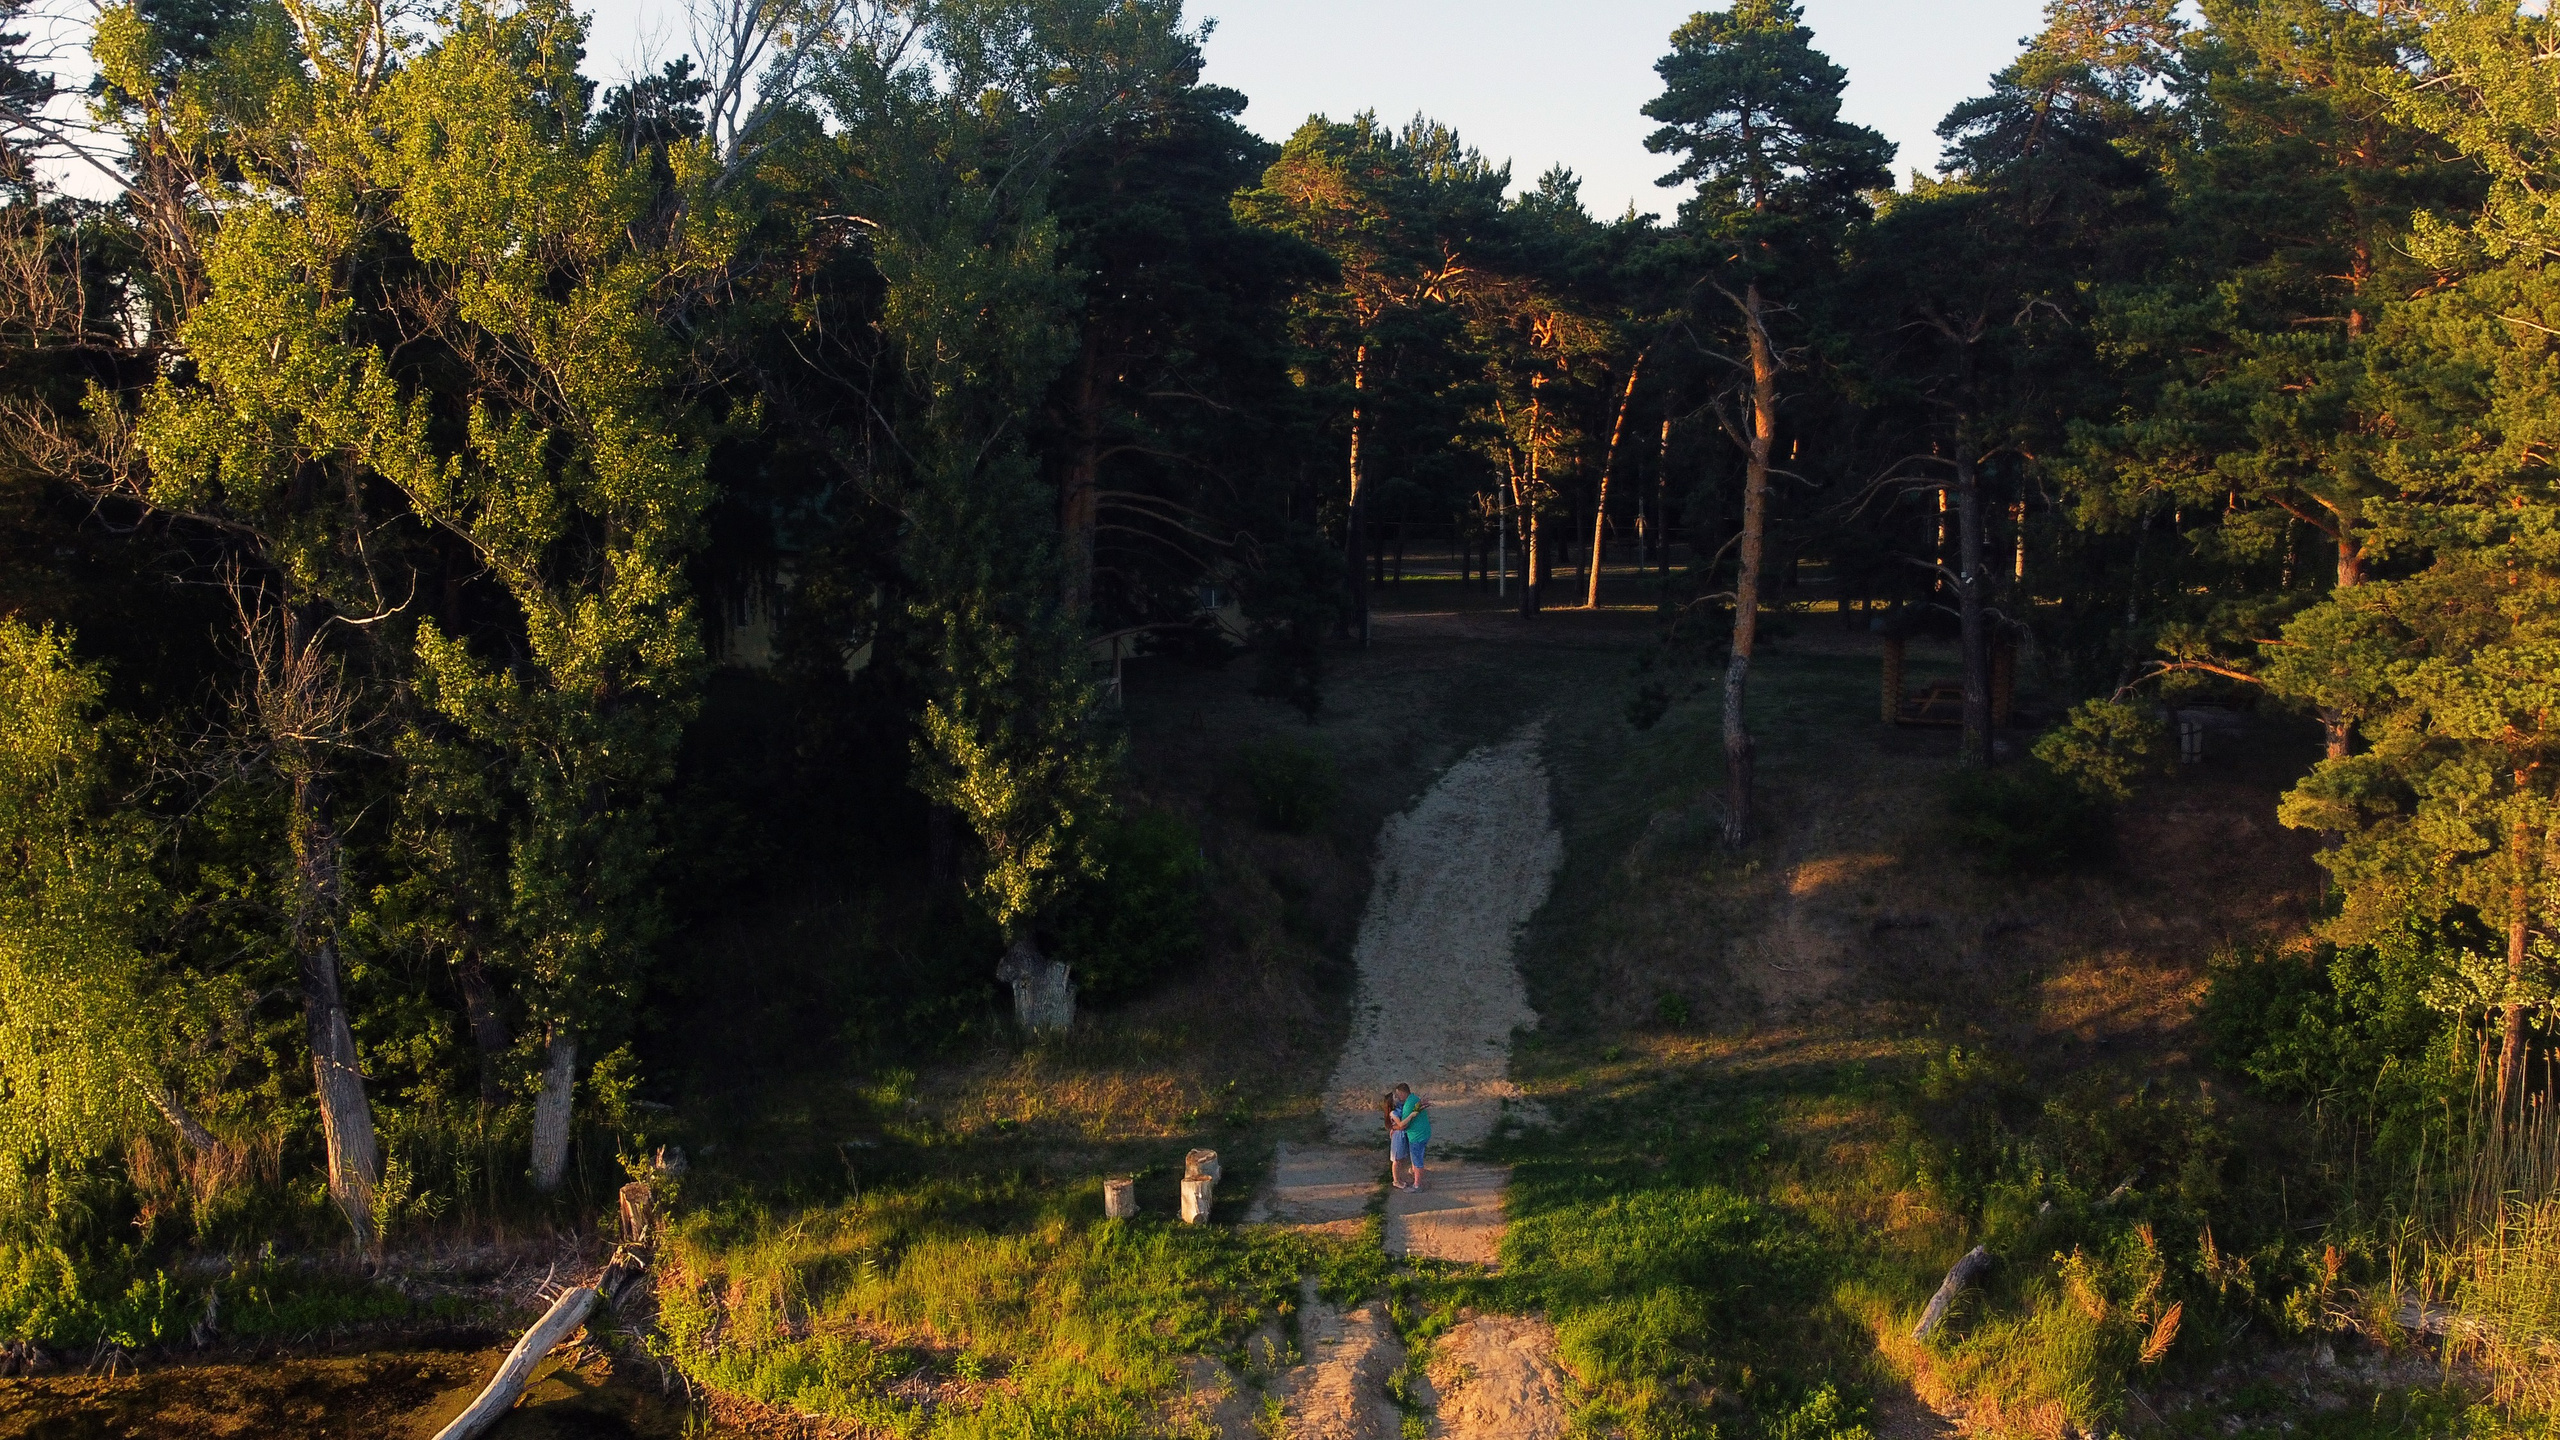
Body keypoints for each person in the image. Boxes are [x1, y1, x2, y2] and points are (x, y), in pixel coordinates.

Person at [1386, 1083, 1430, 1191]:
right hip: (1411, 1136)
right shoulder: (1410, 1100)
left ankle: (1416, 1184)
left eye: (1398, 1094)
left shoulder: (1405, 1105)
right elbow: (1402, 1125)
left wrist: (1394, 1128)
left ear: (1402, 1092)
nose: (1398, 1097)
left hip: (1414, 1136)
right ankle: (1397, 1180)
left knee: (1414, 1159)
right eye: (1395, 1097)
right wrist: (1411, 1115)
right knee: (1398, 1159)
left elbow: (1402, 1125)